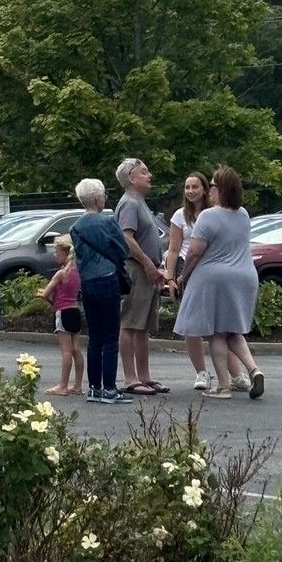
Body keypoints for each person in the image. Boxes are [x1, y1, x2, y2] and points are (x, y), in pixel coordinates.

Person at [173, 165, 264, 400]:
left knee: (216, 334)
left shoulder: (208, 216)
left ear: (220, 190)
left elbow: (194, 251)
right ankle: (254, 370)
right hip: (245, 276)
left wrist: (183, 275)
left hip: (217, 278)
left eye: (212, 185)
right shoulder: (243, 214)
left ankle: (223, 386)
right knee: (233, 331)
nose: (210, 189)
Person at [71, 179, 133, 405]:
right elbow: (123, 249)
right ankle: (110, 389)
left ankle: (94, 388)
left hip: (87, 282)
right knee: (110, 336)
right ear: (98, 199)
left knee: (95, 336)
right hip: (107, 279)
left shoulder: (75, 227)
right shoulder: (108, 222)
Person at [114, 159, 170, 396]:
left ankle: (144, 376)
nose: (150, 176)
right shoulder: (129, 203)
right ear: (131, 178)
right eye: (144, 172)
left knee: (142, 326)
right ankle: (130, 378)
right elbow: (127, 238)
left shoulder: (140, 202)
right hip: (136, 269)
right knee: (129, 323)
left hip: (147, 271)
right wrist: (147, 263)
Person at [36, 234, 84, 396]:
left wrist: (43, 294)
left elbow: (46, 294)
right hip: (75, 311)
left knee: (66, 351)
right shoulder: (77, 272)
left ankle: (63, 386)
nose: (55, 255)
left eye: (56, 252)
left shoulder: (61, 273)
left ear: (64, 252)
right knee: (76, 349)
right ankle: (78, 385)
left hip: (63, 312)